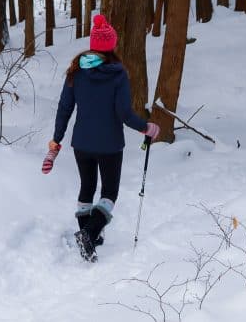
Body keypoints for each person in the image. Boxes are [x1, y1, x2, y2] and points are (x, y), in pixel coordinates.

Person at [41, 14, 159, 262]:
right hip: (110, 144)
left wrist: (57, 138)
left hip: (81, 143)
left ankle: (90, 235)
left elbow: (65, 108)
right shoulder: (117, 74)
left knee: (87, 187)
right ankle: (90, 233)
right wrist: (145, 127)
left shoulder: (76, 71)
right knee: (109, 192)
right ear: (112, 46)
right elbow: (124, 113)